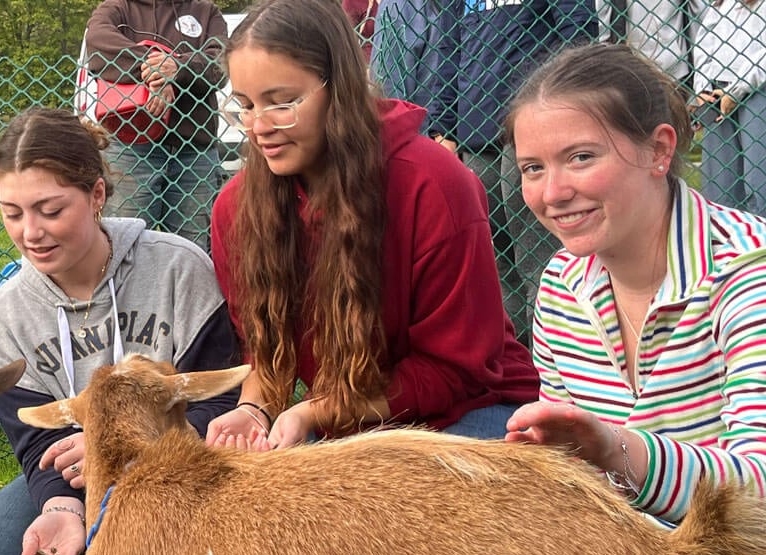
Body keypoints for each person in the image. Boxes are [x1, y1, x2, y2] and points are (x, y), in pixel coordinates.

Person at [502, 42, 765, 555]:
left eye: (580, 157)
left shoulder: (746, 273)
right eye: (533, 168)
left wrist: (619, 452)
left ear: (659, 149)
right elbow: (569, 473)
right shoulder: (563, 282)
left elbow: (759, 498)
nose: (552, 192)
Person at [206, 0, 537, 451]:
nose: (258, 127)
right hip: (348, 421)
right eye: (244, 106)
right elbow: (266, 354)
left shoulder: (434, 183)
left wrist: (317, 410)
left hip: (467, 411)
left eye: (282, 103)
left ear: (339, 87)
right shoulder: (235, 208)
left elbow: (455, 371)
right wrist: (253, 410)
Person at [0, 107, 240, 555]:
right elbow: (36, 443)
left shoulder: (178, 269)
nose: (31, 232)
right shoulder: (4, 320)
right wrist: (63, 507)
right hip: (75, 484)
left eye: (50, 210)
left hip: (188, 466)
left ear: (96, 195)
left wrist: (123, 447)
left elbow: (223, 400)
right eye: (12, 213)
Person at [424, 0, 597, 341]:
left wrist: (561, 104)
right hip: (474, 129)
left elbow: (577, 29)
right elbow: (447, 49)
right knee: (497, 262)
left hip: (528, 128)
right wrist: (443, 127)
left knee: (537, 256)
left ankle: (558, 357)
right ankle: (517, 363)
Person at [84, 0, 228, 251]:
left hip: (194, 152)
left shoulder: (206, 12)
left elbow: (221, 64)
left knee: (194, 251)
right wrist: (158, 70)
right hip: (129, 149)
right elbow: (98, 44)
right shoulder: (118, 8)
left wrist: (179, 68)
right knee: (124, 248)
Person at [691, 0, 766, 215]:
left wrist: (735, 91)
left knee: (757, 178)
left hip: (756, 89)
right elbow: (704, 46)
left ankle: (759, 236)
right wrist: (702, 87)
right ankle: (724, 232)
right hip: (717, 90)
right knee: (719, 181)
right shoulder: (721, 6)